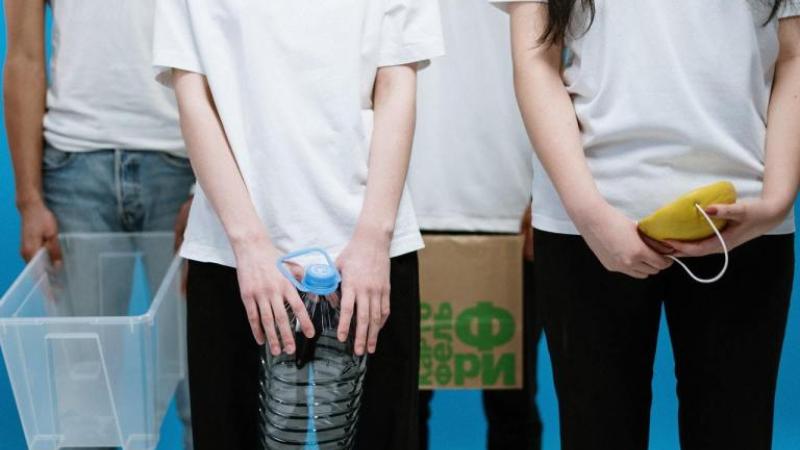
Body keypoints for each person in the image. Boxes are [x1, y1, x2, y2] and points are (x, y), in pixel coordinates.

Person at [495, 1, 800, 449]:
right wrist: (590, 214)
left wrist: (776, 201)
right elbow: (536, 58)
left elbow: (794, 55)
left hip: (743, 218)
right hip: (589, 222)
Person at [152, 1, 445, 449]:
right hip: (234, 254)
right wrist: (249, 244)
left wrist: (373, 238)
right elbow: (193, 94)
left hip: (366, 252)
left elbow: (397, 83)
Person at [3, 0, 194, 448]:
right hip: (75, 165)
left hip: (186, 160)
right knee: (84, 402)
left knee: (205, 386)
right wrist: (28, 199)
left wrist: (208, 189)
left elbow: (228, 40)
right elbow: (24, 56)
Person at [408, 1, 541, 448]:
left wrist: (548, 192)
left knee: (514, 400)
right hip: (403, 209)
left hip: (513, 204)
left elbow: (568, 65)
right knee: (401, 401)